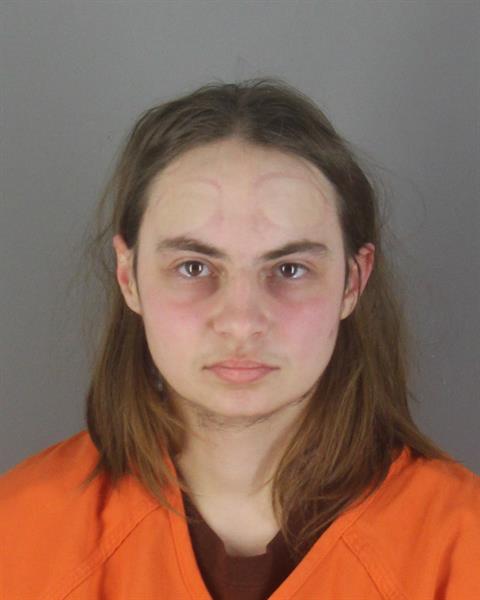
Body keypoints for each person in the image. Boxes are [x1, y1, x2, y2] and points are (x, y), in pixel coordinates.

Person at [1, 78, 479, 600]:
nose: (241, 322)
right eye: (193, 266)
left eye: (290, 269)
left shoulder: (462, 545)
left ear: (352, 282)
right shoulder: (18, 533)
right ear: (128, 276)